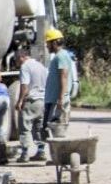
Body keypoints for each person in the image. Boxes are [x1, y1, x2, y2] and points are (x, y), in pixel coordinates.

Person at [37, 28, 75, 160]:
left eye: (48, 44)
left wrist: (60, 98)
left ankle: (61, 157)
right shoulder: (58, 57)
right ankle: (54, 156)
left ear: (54, 43)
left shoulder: (62, 56)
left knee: (58, 130)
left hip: (57, 100)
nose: (47, 47)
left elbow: (63, 76)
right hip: (52, 99)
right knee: (48, 129)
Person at [15, 49, 48, 163]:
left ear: (21, 57)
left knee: (25, 127)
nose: (16, 63)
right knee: (39, 127)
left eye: (16, 60)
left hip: (31, 100)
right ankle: (41, 151)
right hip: (42, 100)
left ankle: (24, 154)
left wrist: (20, 101)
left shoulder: (25, 66)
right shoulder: (41, 66)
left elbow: (24, 86)